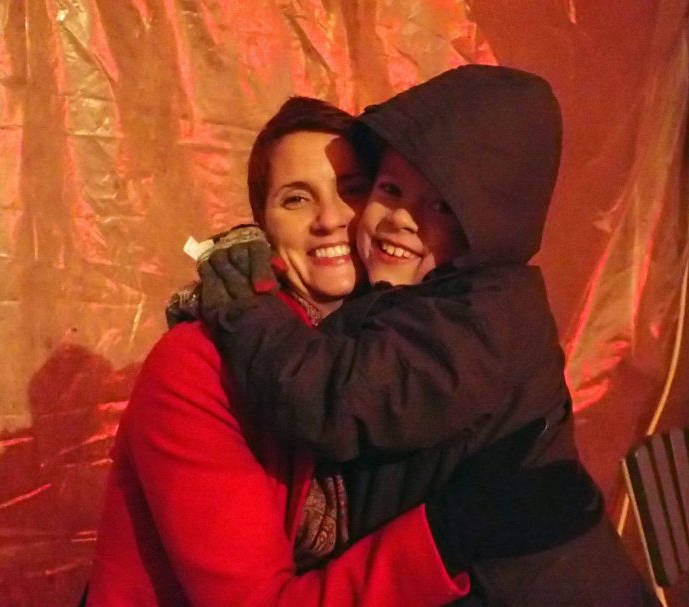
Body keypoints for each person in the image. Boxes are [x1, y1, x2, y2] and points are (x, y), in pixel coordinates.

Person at [197, 66, 659, 606]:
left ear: (487, 229)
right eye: (390, 189)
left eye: (442, 206)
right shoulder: (410, 302)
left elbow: (337, 401)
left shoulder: (485, 319)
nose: (403, 219)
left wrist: (243, 306)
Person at [86, 96, 554, 607]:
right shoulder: (195, 366)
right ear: (261, 227)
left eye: (353, 189)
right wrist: (444, 538)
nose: (330, 219)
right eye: (296, 199)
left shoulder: (398, 356)